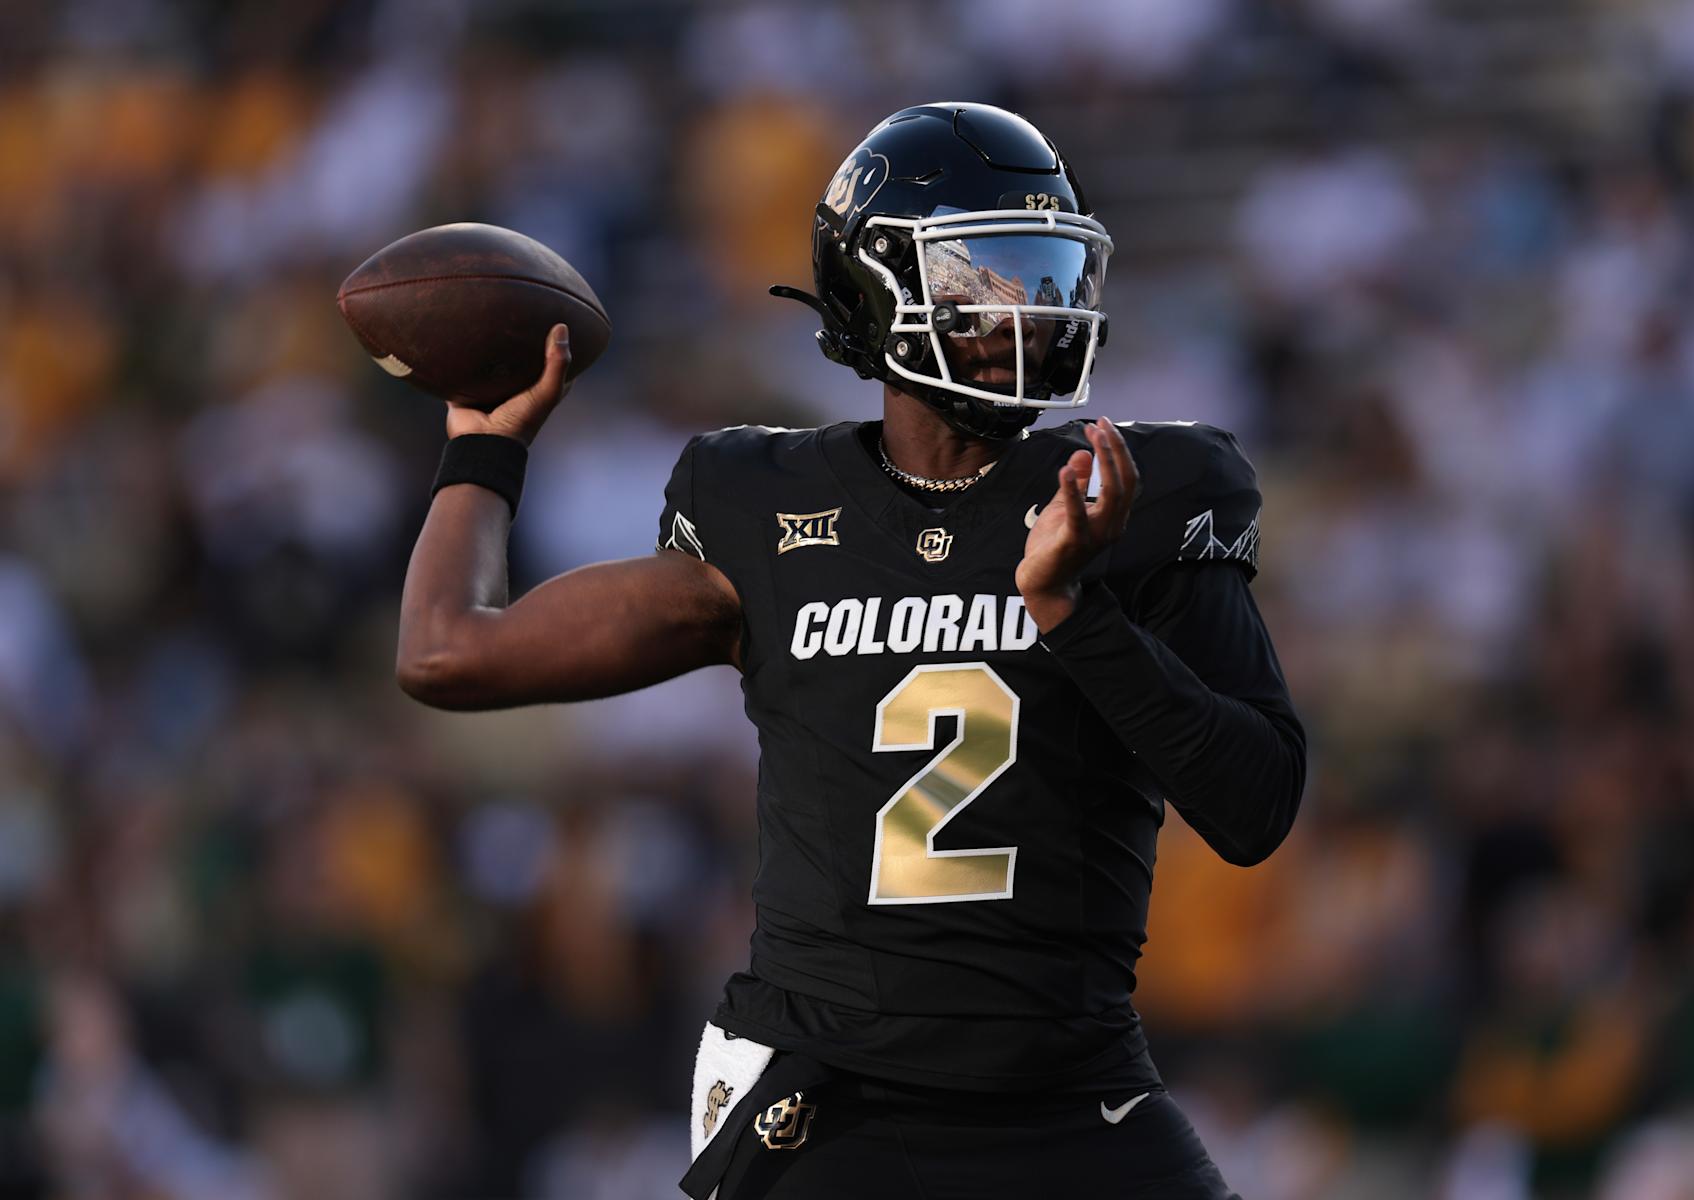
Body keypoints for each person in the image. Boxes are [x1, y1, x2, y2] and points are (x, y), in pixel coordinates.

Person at [397, 102, 1304, 1200]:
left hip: (1070, 1088)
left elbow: (1254, 809)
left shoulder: (1139, 496)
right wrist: (485, 454)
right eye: (988, 276)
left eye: (1050, 273)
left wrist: (1075, 611)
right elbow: (448, 652)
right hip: (826, 1094)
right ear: (879, 288)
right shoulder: (766, 508)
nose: (1035, 310)